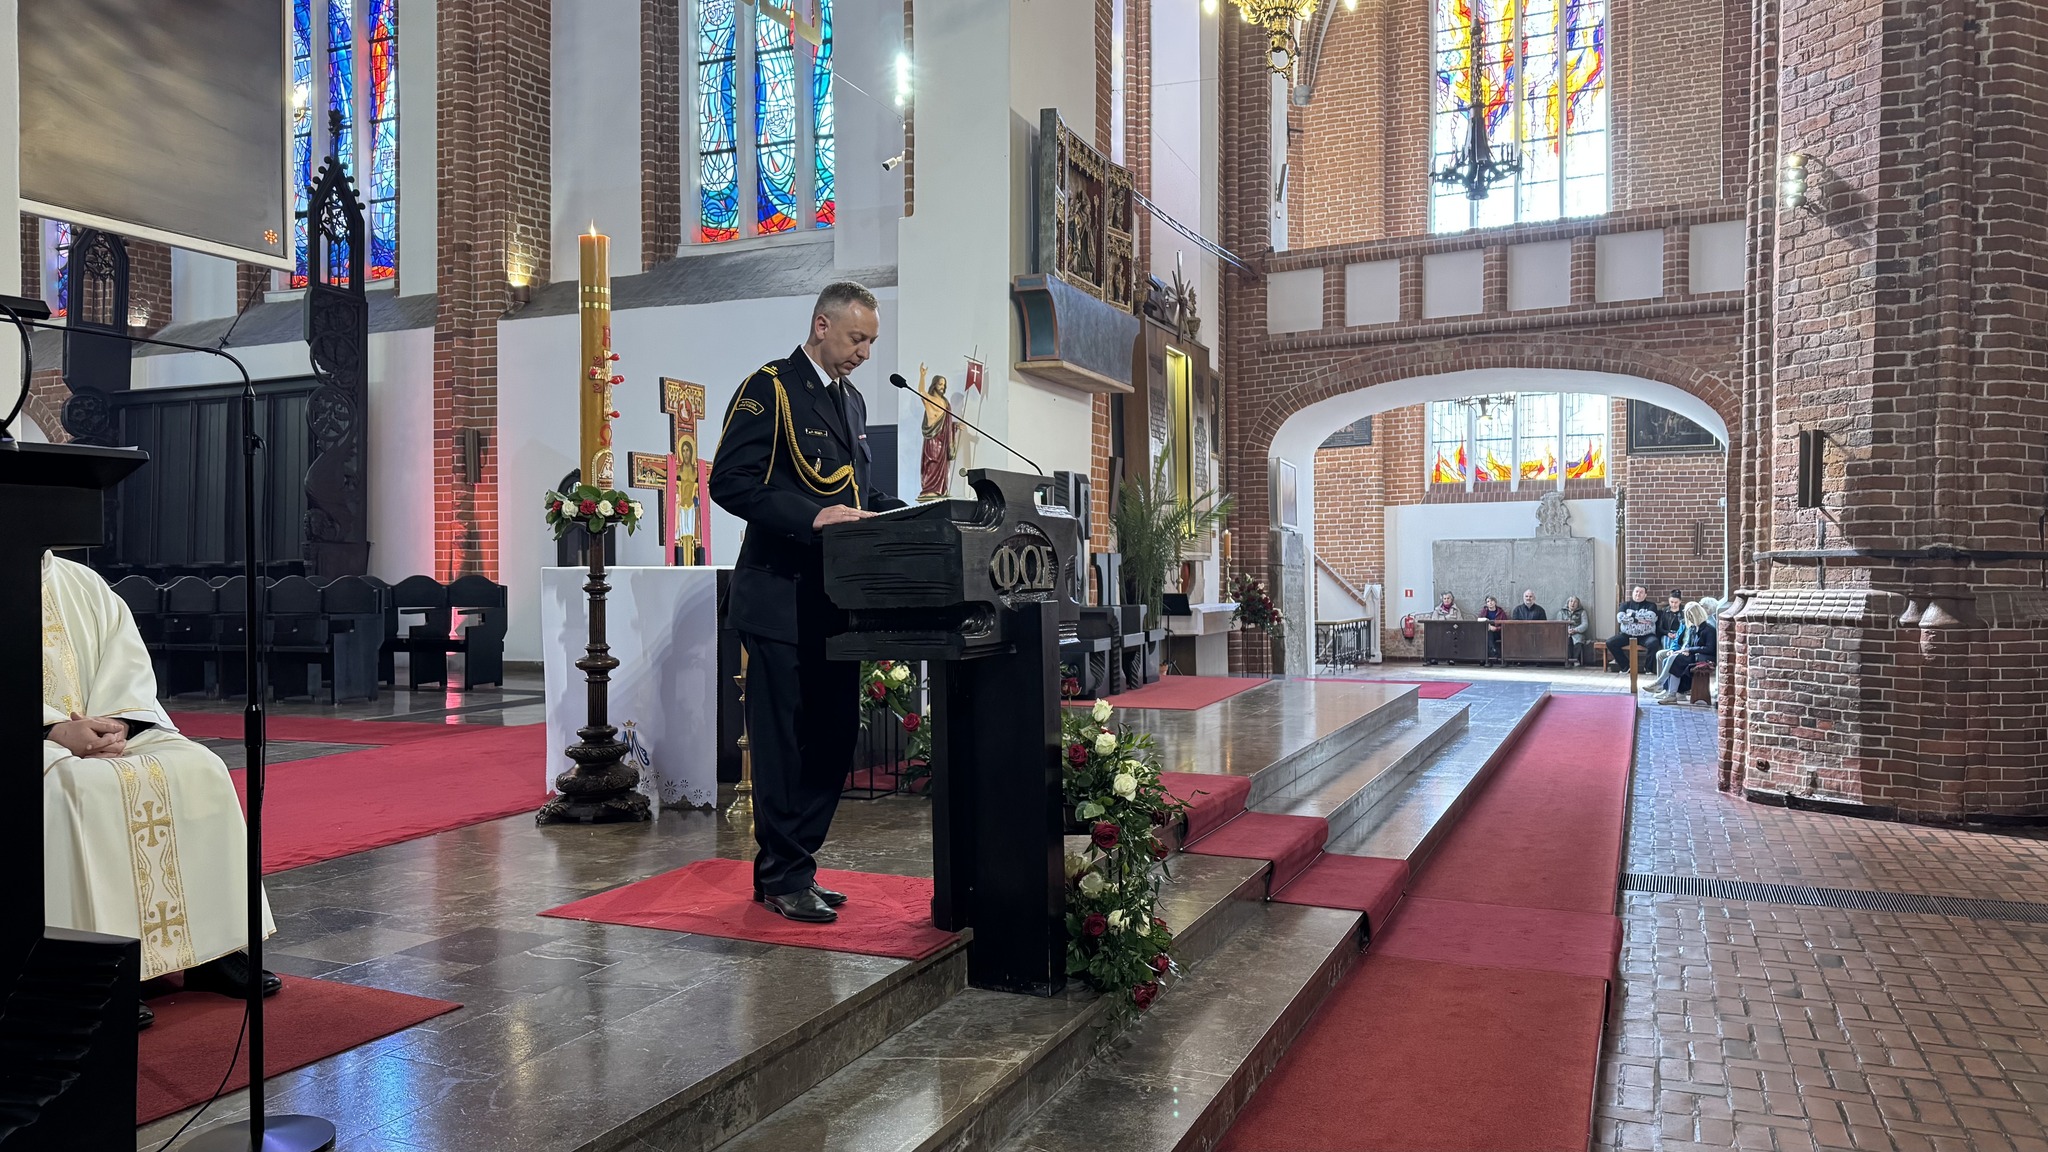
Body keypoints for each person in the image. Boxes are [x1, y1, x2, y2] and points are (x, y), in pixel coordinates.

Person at [709, 281, 907, 924]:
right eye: (857, 338)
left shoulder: (850, 402)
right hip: (777, 595)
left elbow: (858, 497)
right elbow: (728, 481)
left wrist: (911, 515)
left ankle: (797, 863)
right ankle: (783, 874)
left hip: (833, 602)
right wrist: (810, 516)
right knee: (781, 746)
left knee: (833, 738)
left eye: (871, 341)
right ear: (822, 325)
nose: (865, 353)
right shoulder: (770, 388)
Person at [41, 552, 279, 1030]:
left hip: (106, 731)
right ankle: (98, 973)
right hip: (36, 739)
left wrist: (116, 724)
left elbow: (125, 666)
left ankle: (214, 949)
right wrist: (53, 730)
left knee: (200, 768)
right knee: (75, 787)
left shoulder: (79, 581)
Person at [1655, 602, 1717, 704]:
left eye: (1690, 617)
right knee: (1673, 658)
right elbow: (1689, 643)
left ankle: (1665, 688)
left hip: (1704, 657)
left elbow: (1710, 649)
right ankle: (1670, 692)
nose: (1689, 619)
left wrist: (1690, 650)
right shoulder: (1693, 628)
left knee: (1676, 660)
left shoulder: (1709, 630)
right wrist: (1684, 650)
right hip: (1693, 654)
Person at [916, 364, 957, 502]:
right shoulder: (930, 399)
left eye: (944, 385)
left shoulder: (945, 402)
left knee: (942, 466)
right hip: (932, 438)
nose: (942, 387)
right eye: (940, 384)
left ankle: (940, 490)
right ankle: (929, 490)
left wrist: (954, 426)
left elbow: (947, 422)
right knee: (931, 463)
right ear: (934, 385)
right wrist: (922, 376)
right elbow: (921, 391)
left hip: (943, 439)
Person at [1608, 585, 1660, 672]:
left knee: (1654, 643)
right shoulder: (1624, 605)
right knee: (1610, 642)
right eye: (1636, 591)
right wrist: (1637, 620)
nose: (1638, 594)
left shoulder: (1651, 605)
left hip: (1646, 635)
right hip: (1627, 635)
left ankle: (1648, 668)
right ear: (1633, 593)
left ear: (1645, 595)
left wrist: (1631, 615)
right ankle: (1625, 666)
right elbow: (1620, 618)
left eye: (1641, 592)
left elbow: (1650, 617)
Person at [1561, 595, 1591, 664]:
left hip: (1577, 633)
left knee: (1578, 641)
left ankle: (1575, 659)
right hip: (1565, 632)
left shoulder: (1582, 612)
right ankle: (1567, 661)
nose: (1573, 603)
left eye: (1575, 602)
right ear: (1568, 603)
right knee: (1566, 641)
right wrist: (1567, 630)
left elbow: (1585, 624)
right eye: (1571, 601)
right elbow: (1559, 624)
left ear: (1578, 604)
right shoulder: (1562, 612)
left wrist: (1575, 630)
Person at [1479, 595, 1507, 664]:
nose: (1490, 603)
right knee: (1488, 634)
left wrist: (1496, 628)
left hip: (1499, 632)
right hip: (1487, 631)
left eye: (1492, 601)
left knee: (1489, 634)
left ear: (1495, 602)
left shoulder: (1501, 612)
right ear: (1486, 604)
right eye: (1488, 601)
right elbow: (1479, 622)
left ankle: (1490, 655)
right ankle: (1493, 653)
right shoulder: (1483, 612)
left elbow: (1505, 625)